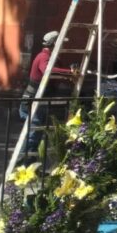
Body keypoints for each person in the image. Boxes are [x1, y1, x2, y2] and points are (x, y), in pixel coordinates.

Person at [19, 31, 76, 159]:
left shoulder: (51, 57)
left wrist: (68, 76)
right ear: (54, 43)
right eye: (61, 43)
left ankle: (29, 164)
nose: (63, 46)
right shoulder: (44, 56)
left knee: (36, 134)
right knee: (33, 134)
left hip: (39, 100)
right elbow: (47, 70)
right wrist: (70, 72)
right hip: (33, 101)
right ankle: (22, 163)